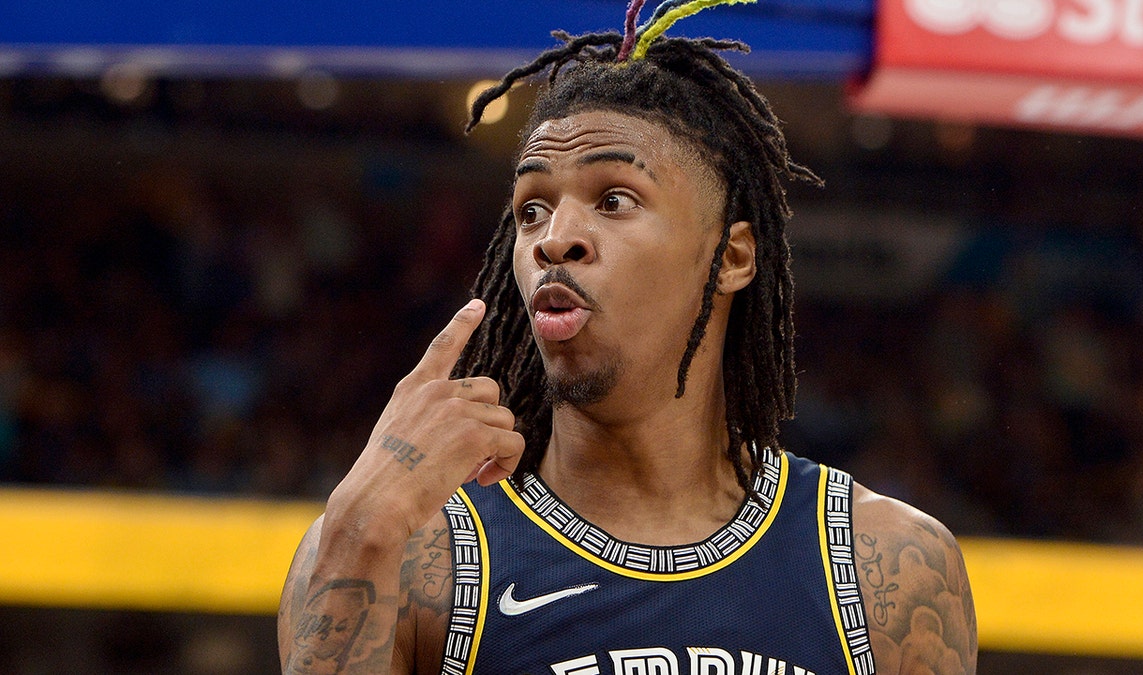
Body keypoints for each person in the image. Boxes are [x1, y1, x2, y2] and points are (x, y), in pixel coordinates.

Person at [277, 1, 978, 673]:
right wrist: (358, 529)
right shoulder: (412, 554)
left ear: (731, 256)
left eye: (614, 199)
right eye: (531, 210)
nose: (555, 239)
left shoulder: (882, 565)